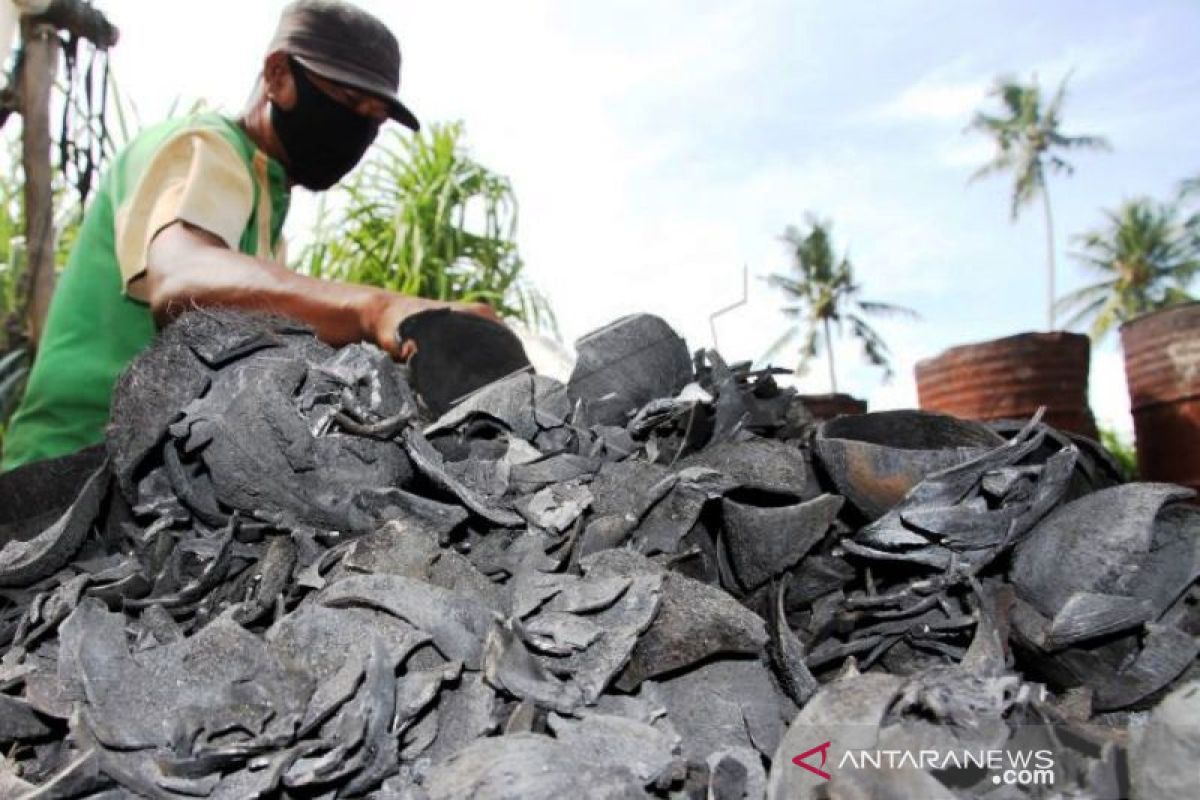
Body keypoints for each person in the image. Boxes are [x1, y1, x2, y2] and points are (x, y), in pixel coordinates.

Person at [1, 0, 494, 471]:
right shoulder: (202, 146)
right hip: (67, 472)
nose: (358, 129)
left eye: (375, 120)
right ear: (279, 75)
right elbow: (182, 276)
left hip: (141, 477)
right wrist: (377, 309)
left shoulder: (264, 200)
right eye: (347, 102)